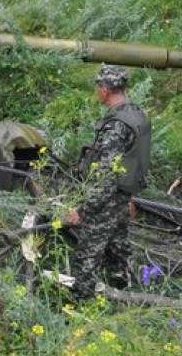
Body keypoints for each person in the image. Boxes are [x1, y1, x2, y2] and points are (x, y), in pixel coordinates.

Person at [66, 65, 151, 300]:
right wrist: (130, 197)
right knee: (118, 245)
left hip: (109, 197)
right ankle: (122, 293)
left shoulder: (116, 125)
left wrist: (83, 209)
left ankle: (79, 303)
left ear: (105, 89)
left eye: (98, 87)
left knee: (88, 253)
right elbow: (135, 160)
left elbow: (106, 174)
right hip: (124, 194)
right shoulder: (137, 114)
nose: (97, 91)